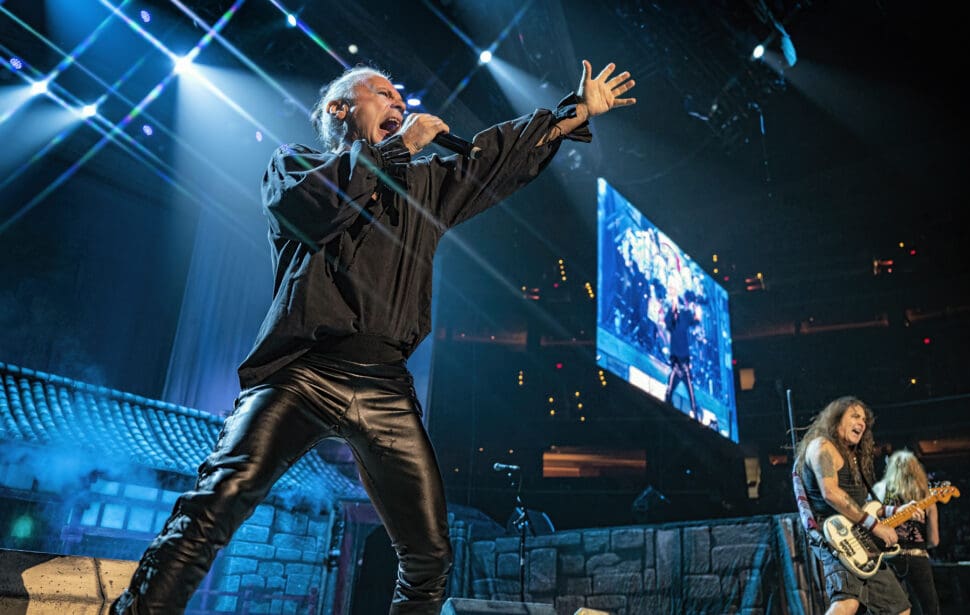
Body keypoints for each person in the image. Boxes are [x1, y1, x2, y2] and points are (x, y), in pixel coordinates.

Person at [111, 59, 636, 615]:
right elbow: (317, 208)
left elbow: (493, 158)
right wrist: (398, 147)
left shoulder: (422, 186)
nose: (398, 103)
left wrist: (573, 112)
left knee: (430, 556)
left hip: (385, 384)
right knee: (215, 505)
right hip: (303, 371)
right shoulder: (295, 166)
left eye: (401, 99)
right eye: (383, 94)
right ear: (340, 108)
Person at [793, 396, 917, 615]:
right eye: (855, 416)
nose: (861, 423)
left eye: (864, 420)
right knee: (847, 603)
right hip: (836, 536)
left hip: (862, 540)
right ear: (836, 419)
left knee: (899, 609)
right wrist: (875, 526)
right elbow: (831, 493)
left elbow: (863, 505)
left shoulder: (852, 456)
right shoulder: (822, 446)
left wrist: (897, 511)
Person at [873, 450, 941, 615]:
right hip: (918, 557)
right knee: (929, 608)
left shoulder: (880, 490)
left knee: (896, 609)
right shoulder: (926, 497)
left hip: (889, 558)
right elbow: (934, 540)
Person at [663, 289, 701, 419]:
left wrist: (695, 309)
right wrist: (673, 308)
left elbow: (696, 320)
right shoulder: (670, 319)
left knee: (691, 393)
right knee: (670, 391)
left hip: (684, 360)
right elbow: (668, 322)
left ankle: (695, 413)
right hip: (676, 361)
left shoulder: (685, 315)